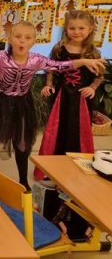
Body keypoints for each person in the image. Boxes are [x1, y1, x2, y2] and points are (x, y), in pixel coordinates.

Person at [0, 20, 106, 189]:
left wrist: (84, 61)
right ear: (10, 38)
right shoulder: (0, 57)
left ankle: (23, 180)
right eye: (18, 37)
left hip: (22, 104)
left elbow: (61, 66)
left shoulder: (36, 60)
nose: (22, 41)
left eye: (27, 38)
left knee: (22, 143)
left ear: (33, 41)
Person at [35, 10, 103, 180]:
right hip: (61, 96)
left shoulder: (93, 52)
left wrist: (92, 88)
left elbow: (99, 75)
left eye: (81, 28)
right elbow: (51, 68)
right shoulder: (59, 48)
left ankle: (77, 168)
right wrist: (49, 84)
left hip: (81, 99)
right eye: (72, 28)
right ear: (66, 28)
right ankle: (51, 169)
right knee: (57, 130)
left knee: (77, 132)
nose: (76, 32)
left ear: (90, 29)